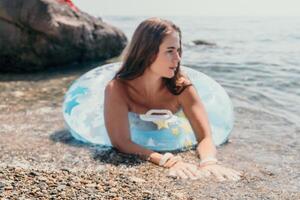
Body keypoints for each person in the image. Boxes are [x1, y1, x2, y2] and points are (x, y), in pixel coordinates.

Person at [104, 17, 241, 181]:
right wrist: (166, 161)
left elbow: (205, 136)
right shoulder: (118, 89)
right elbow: (121, 141)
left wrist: (208, 162)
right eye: (170, 51)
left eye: (178, 50)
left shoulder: (181, 87)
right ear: (147, 53)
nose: (178, 58)